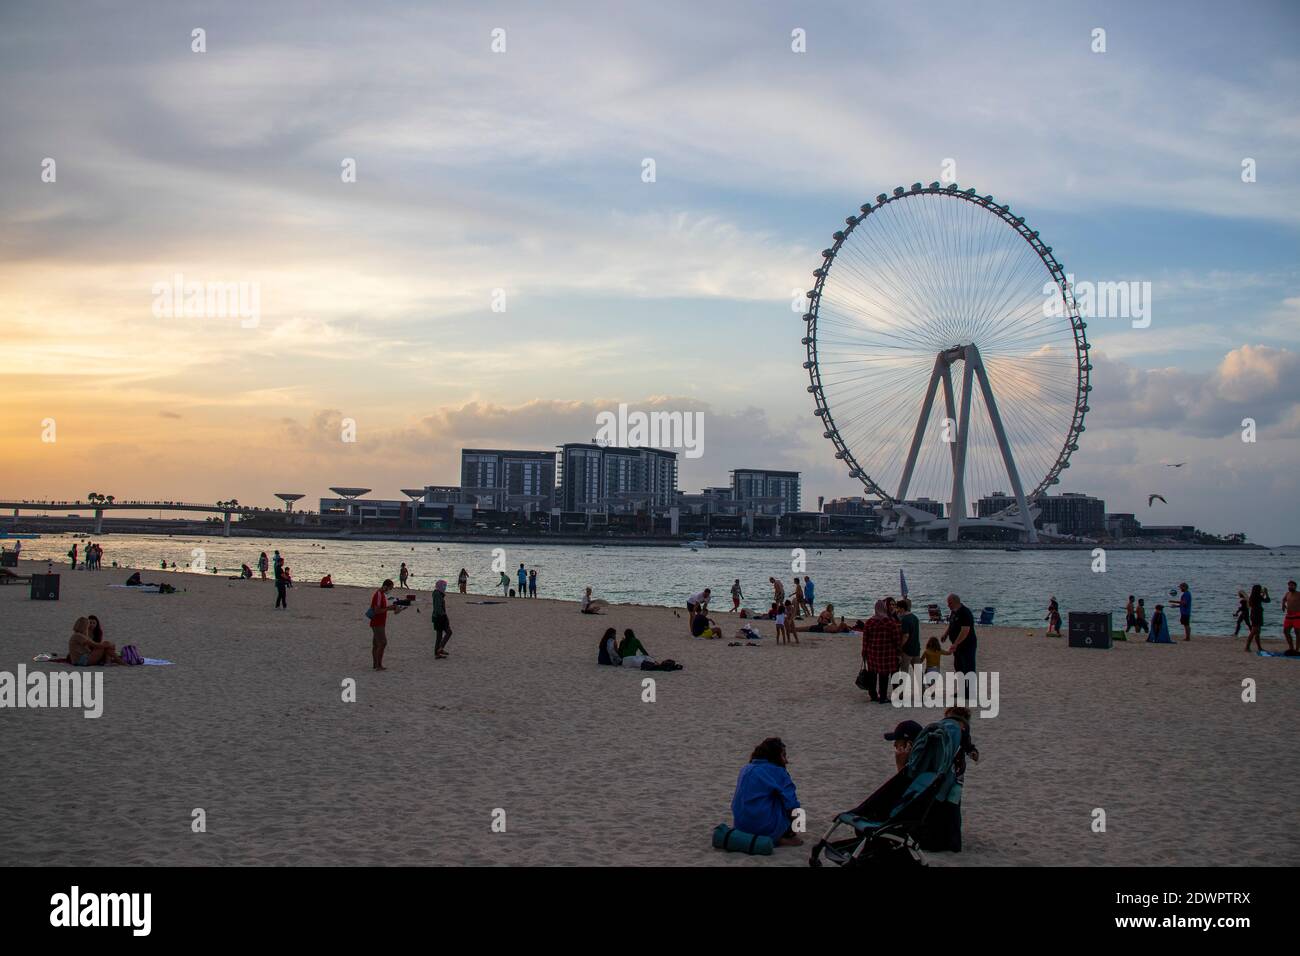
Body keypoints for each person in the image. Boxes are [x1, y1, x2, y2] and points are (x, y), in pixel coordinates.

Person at [730, 738, 803, 847]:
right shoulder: (777, 771)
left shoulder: (745, 768)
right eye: (783, 755)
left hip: (740, 826)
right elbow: (792, 804)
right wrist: (797, 826)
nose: (786, 760)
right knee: (792, 805)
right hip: (763, 827)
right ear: (775, 756)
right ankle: (783, 837)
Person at [861, 599, 902, 703]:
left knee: (872, 674)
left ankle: (873, 695)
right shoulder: (889, 622)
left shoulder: (869, 622)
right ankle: (883, 696)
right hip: (887, 653)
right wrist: (898, 652)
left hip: (872, 652)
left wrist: (864, 652)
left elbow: (865, 639)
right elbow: (896, 639)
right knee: (884, 675)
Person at [369, 579, 403, 670]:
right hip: (377, 622)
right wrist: (390, 608)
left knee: (376, 644)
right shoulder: (379, 595)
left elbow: (382, 608)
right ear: (385, 586)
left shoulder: (381, 594)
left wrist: (392, 608)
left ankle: (375, 664)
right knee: (383, 643)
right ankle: (378, 665)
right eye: (390, 588)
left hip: (379, 622)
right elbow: (377, 610)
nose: (390, 590)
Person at [944, 593, 977, 677]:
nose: (948, 605)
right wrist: (945, 634)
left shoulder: (965, 612)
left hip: (967, 646)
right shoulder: (953, 612)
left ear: (956, 602)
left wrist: (955, 643)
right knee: (958, 667)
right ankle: (961, 689)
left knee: (968, 669)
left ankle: (969, 690)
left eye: (950, 603)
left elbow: (965, 631)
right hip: (957, 647)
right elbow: (951, 624)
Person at [897, 598, 922, 677]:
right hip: (916, 649)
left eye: (898, 608)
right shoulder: (915, 617)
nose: (897, 610)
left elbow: (906, 635)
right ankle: (923, 688)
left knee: (904, 673)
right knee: (918, 672)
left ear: (902, 608)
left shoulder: (905, 619)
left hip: (907, 650)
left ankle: (902, 689)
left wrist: (900, 646)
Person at [1244, 584, 1270, 653]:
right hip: (1256, 615)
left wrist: (1263, 593)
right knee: (1254, 632)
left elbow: (1261, 598)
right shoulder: (1257, 597)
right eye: (1260, 589)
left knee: (1257, 632)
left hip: (1255, 615)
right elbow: (1267, 600)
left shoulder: (1253, 596)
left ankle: (1259, 647)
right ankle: (1247, 647)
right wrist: (1266, 593)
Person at [432, 579, 453, 659]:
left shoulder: (438, 594)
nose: (445, 587)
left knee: (439, 636)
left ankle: (437, 653)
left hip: (437, 617)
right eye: (444, 586)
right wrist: (444, 616)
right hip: (439, 617)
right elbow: (438, 608)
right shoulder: (437, 594)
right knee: (449, 632)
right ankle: (440, 648)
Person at [1283, 580, 1299, 653]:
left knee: (1297, 632)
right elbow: (1284, 599)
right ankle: (1291, 648)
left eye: (1292, 585)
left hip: (1297, 616)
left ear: (1295, 586)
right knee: (1286, 631)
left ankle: (1297, 649)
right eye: (1289, 585)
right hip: (1289, 615)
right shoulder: (1287, 594)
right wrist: (1283, 605)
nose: (1290, 587)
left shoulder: (1298, 594)